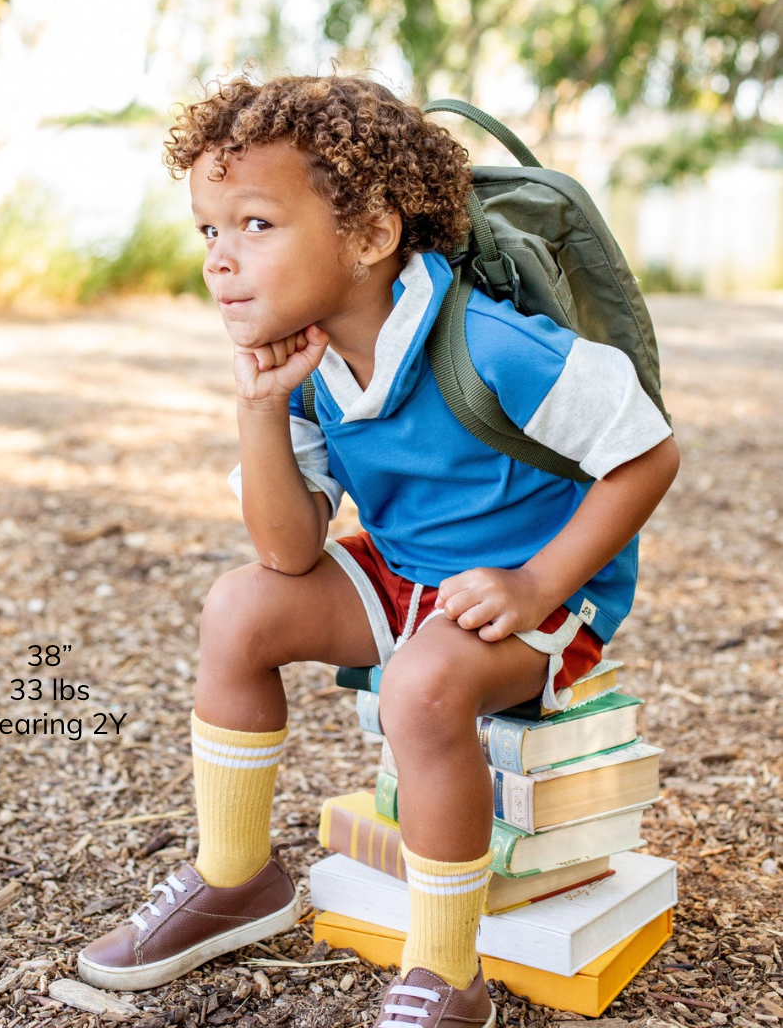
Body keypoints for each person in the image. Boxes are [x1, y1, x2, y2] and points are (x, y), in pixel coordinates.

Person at [78, 74, 680, 1028]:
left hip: (543, 594)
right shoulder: (311, 365)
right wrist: (261, 404)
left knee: (422, 688)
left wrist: (538, 582)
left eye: (256, 225)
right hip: (411, 576)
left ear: (368, 236)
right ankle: (237, 878)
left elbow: (648, 454)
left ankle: (449, 972)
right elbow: (287, 554)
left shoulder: (492, 343)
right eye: (209, 230)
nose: (220, 260)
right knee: (239, 609)